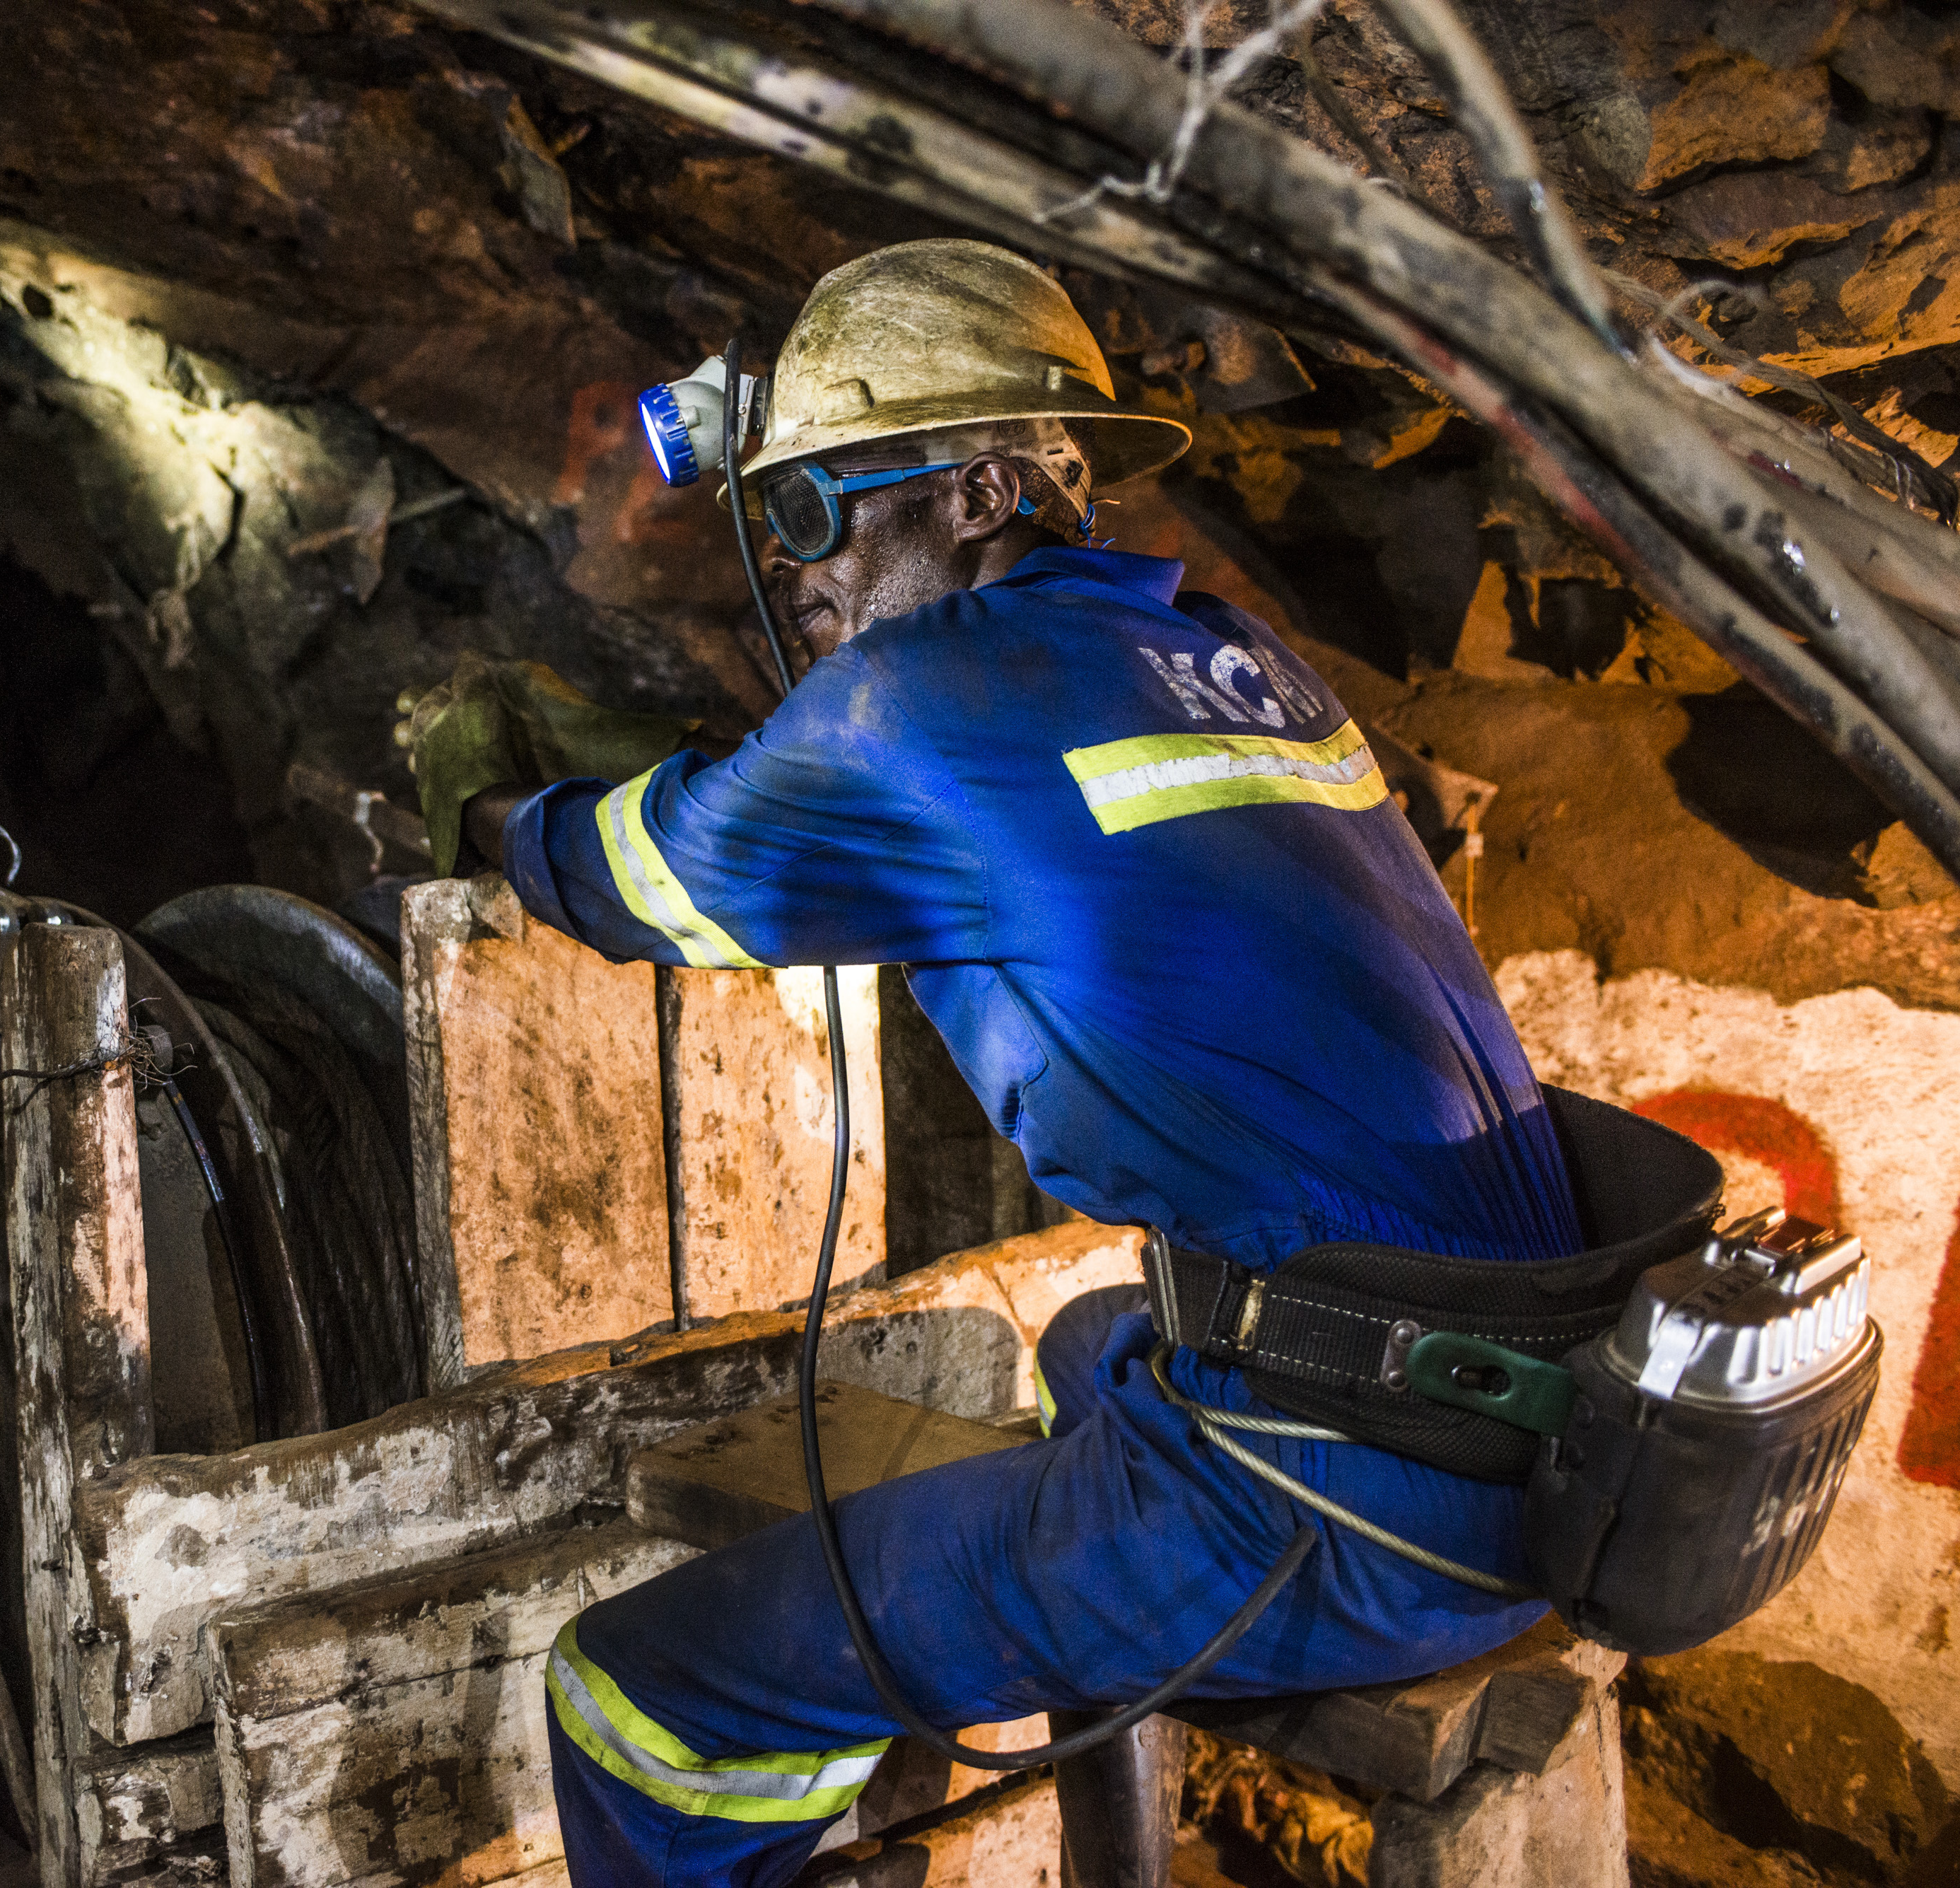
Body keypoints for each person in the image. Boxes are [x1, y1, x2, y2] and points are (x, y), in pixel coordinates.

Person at [397, 240, 1585, 1888]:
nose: (787, 569)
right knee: (1099, 1335)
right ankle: (1012, 1689)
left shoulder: (913, 700)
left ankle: (890, 1685)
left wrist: (481, 809)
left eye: (814, 510)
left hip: (1343, 1507)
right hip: (1550, 1442)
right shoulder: (1238, 658)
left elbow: (632, 877)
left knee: (633, 1693)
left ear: (977, 491)